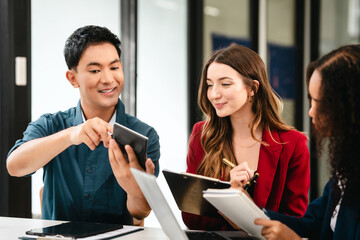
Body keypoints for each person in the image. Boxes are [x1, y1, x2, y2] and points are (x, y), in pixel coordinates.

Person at [6, 25, 160, 225]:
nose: (108, 79)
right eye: (95, 70)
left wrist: (135, 191)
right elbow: (15, 166)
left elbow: (140, 214)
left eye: (114, 67)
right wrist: (71, 135)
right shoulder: (51, 125)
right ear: (73, 78)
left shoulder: (143, 135)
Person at [182, 44, 310, 230]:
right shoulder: (202, 135)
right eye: (210, 85)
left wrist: (244, 207)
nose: (214, 94)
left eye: (225, 84)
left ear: (253, 88)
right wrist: (226, 197)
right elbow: (191, 218)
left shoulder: (293, 144)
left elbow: (295, 224)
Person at [254, 44, 360, 239]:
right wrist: (250, 213)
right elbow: (312, 223)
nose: (311, 112)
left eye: (319, 102)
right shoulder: (347, 168)